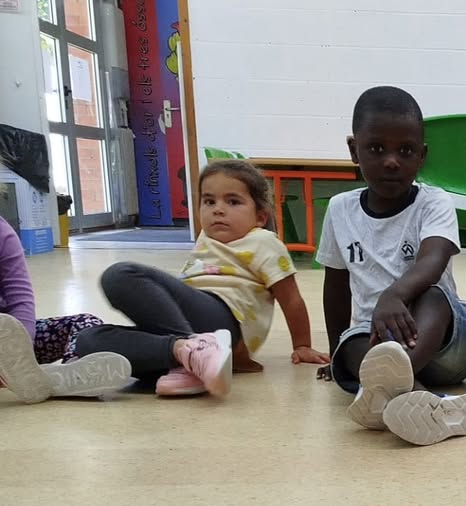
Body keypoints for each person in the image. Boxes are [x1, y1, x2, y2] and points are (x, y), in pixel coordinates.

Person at [317, 85, 466, 446]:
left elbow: (434, 259)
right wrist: (334, 354)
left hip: (445, 345)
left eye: (405, 151)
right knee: (351, 346)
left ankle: (387, 390)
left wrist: (394, 295)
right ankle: (423, 402)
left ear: (422, 156)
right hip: (375, 342)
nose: (391, 161)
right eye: (376, 149)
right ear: (354, 151)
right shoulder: (339, 209)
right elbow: (336, 286)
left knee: (435, 295)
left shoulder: (434, 202)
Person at [74, 160, 327, 397]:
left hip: (224, 319)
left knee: (120, 275)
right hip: (189, 322)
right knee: (86, 340)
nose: (218, 209)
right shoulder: (206, 237)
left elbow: (291, 299)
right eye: (208, 201)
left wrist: (302, 345)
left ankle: (198, 351)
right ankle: (184, 357)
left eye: (233, 202)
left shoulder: (263, 241)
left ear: (260, 217)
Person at [0, 214, 131, 403]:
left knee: (85, 322)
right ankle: (36, 377)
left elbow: (20, 297)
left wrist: (19, 351)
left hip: (10, 340)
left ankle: (73, 371)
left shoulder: (3, 233)